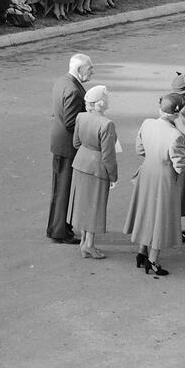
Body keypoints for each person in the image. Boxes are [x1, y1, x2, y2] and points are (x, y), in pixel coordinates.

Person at [68, 85, 118, 260]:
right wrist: (113, 176)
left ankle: (85, 242)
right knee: (95, 206)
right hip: (97, 169)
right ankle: (89, 244)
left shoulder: (81, 117)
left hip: (81, 163)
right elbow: (108, 156)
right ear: (100, 103)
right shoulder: (107, 124)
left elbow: (76, 143)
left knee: (83, 204)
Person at [47, 53, 92, 243]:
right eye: (90, 69)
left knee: (59, 189)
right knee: (64, 189)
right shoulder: (74, 90)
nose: (92, 72)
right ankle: (59, 231)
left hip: (59, 143)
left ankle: (57, 226)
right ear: (80, 69)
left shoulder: (62, 81)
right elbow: (71, 122)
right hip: (67, 146)